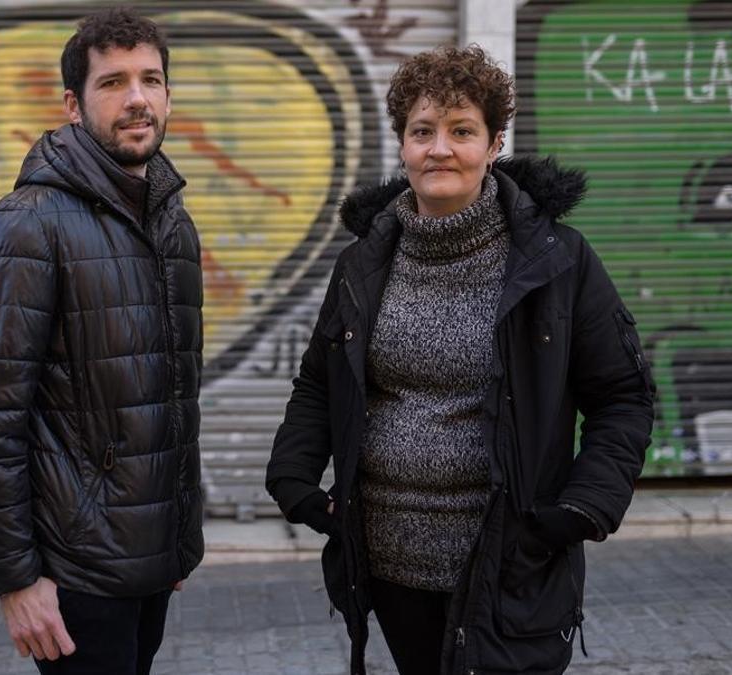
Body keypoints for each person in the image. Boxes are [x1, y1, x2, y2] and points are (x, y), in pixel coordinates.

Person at [265, 45, 655, 675]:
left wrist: (584, 507)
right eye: (422, 131)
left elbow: (624, 396)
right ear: (401, 144)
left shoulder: (557, 261)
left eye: (461, 131)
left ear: (495, 142)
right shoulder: (364, 263)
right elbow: (320, 380)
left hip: (511, 562)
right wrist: (293, 478)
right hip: (388, 565)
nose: (439, 149)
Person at [0, 8, 204, 675]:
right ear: (72, 104)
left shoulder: (174, 225)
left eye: (150, 79)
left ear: (169, 95)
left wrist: (175, 539)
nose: (137, 98)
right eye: (113, 82)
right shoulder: (25, 227)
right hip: (74, 569)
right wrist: (14, 578)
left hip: (148, 560)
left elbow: (172, 398)